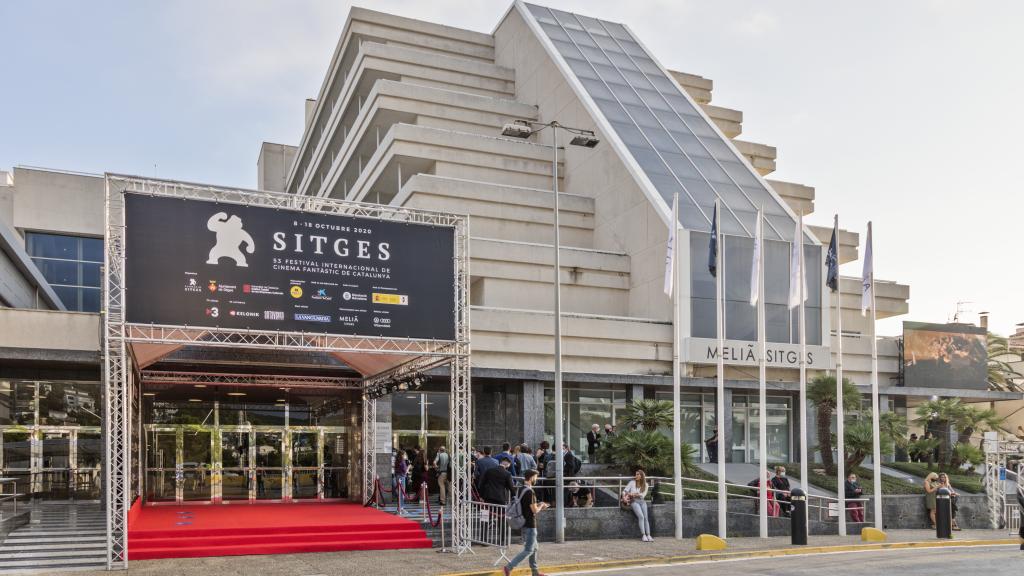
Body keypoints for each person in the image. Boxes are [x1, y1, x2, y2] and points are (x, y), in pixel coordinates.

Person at [503, 469, 549, 576]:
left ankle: (535, 572)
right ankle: (508, 567)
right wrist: (541, 505)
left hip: (524, 522)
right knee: (528, 550)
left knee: (535, 548)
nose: (536, 479)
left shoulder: (521, 489)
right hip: (530, 524)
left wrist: (538, 504)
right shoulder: (530, 492)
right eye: (536, 477)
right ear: (532, 477)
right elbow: (534, 510)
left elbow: (526, 506)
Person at [622, 469, 653, 541]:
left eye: (638, 474)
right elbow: (625, 491)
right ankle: (643, 535)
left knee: (646, 518)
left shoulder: (646, 485)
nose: (636, 476)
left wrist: (633, 494)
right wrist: (624, 497)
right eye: (636, 474)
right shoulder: (632, 482)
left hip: (642, 502)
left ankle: (648, 535)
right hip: (634, 501)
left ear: (641, 476)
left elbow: (643, 495)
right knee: (641, 517)